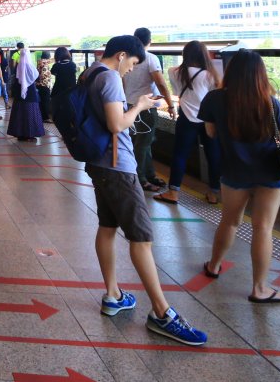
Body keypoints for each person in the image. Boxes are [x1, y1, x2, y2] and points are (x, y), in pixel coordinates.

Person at [81, 35, 208, 346]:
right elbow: (116, 124)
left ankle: (113, 295)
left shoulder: (89, 73)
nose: (129, 70)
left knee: (108, 227)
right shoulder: (110, 77)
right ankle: (162, 313)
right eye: (132, 64)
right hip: (118, 167)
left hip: (99, 162)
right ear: (122, 55)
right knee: (142, 238)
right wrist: (138, 105)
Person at [201, 49, 280, 303]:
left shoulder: (214, 99)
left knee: (230, 222)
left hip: (234, 170)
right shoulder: (270, 102)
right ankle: (260, 288)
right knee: (263, 228)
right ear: (260, 74)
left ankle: (213, 265)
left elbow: (210, 133)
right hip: (271, 172)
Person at [155, 41, 222, 205]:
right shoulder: (210, 75)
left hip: (186, 117)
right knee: (213, 155)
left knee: (179, 155)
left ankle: (173, 192)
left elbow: (177, 92)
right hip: (208, 119)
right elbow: (216, 95)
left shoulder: (174, 71)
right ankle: (213, 193)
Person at [122, 28, 175, 192]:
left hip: (131, 106)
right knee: (143, 144)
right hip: (146, 107)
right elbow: (160, 83)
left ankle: (150, 174)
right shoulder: (150, 58)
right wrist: (171, 105)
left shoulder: (128, 59)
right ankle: (140, 179)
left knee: (144, 143)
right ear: (149, 41)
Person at [6, 45, 43, 141]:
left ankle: (20, 134)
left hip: (19, 94)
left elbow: (17, 78)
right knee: (30, 113)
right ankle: (30, 134)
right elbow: (36, 76)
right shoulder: (30, 66)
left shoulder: (19, 66)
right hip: (30, 93)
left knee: (19, 114)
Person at [49, 46, 77, 120]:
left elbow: (53, 73)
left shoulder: (56, 66)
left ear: (57, 55)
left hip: (58, 91)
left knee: (57, 113)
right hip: (72, 92)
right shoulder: (72, 64)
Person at [36, 51, 52, 122]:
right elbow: (43, 74)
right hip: (44, 84)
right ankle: (46, 117)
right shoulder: (45, 64)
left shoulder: (40, 62)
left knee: (42, 101)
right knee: (46, 101)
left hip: (39, 84)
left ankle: (41, 116)